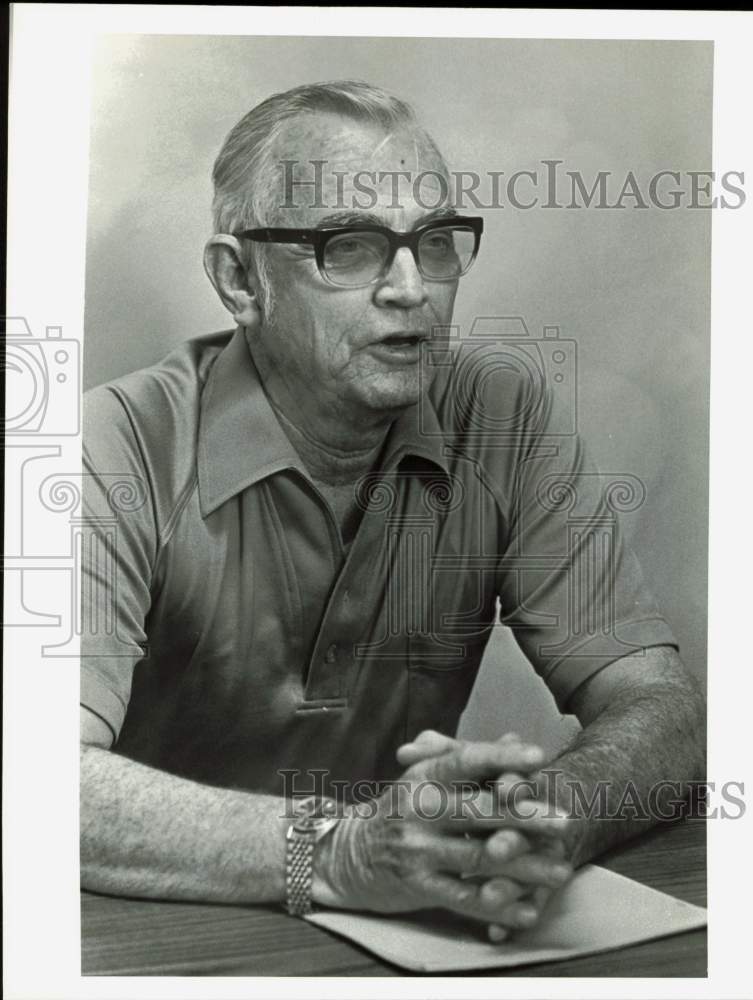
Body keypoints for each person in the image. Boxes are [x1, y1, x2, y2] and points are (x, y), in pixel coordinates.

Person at [80, 80, 705, 941]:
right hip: (132, 950)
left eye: (436, 242)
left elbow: (662, 710)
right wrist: (335, 853)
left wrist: (533, 820)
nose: (413, 288)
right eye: (352, 246)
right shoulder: (106, 446)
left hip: (413, 947)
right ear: (239, 280)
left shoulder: (502, 415)